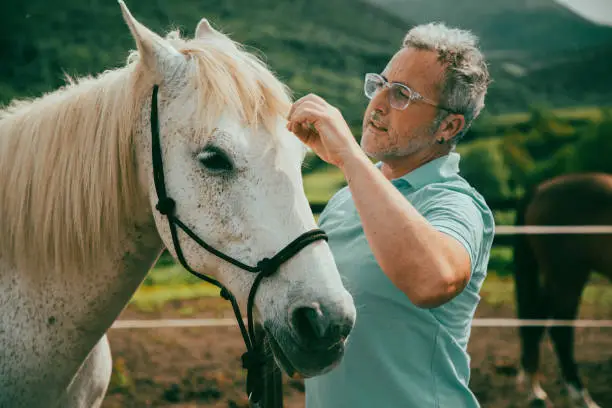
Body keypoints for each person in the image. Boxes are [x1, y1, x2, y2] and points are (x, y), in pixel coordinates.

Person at [286, 22, 495, 407]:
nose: (377, 104)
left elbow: (432, 281)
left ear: (448, 126)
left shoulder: (456, 203)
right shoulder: (345, 200)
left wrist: (350, 156)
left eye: (401, 94)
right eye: (380, 84)